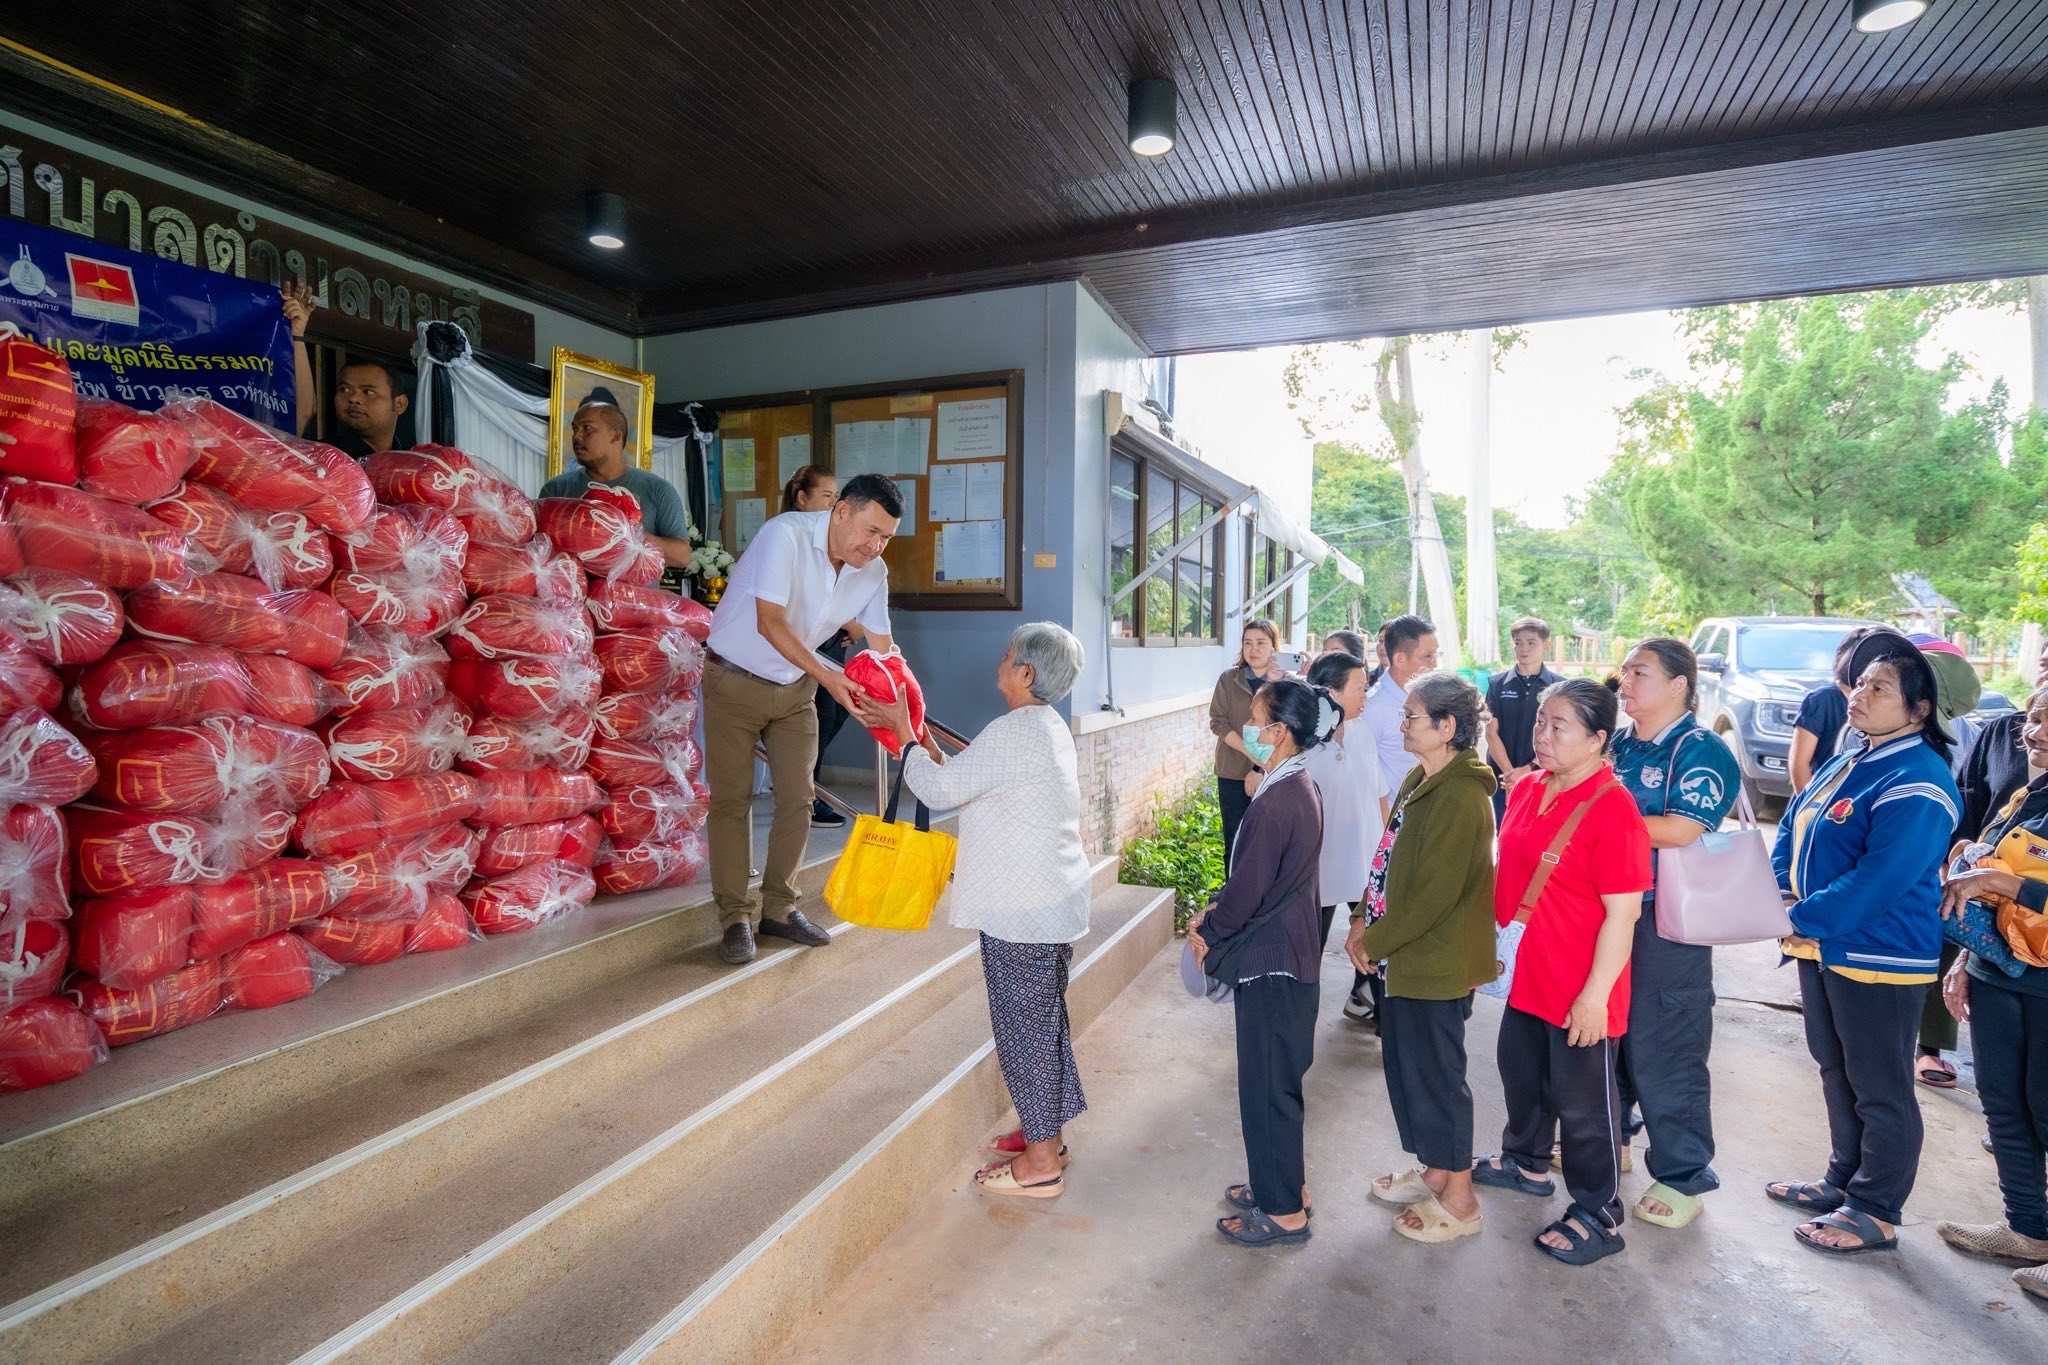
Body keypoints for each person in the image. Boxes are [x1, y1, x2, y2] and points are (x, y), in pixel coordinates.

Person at [858, 623, 1094, 1200]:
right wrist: (918, 740)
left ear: (1027, 674)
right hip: (1048, 905)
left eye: (1008, 654)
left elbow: (938, 793)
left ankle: (1041, 1164)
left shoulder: (1016, 732)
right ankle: (1049, 1136)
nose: (1001, 660)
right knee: (1043, 1024)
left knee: (1025, 1030)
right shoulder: (1042, 728)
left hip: (1024, 913)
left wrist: (901, 733)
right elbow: (963, 780)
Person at [1766, 628, 1967, 1257]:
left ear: (1919, 710)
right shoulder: (1854, 755)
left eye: (1880, 687)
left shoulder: (1921, 778)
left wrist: (1803, 917)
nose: (1860, 693)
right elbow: (1797, 824)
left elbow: (1882, 877)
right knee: (1837, 1069)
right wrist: (1775, 891)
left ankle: (1876, 1207)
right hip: (1825, 944)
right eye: (1860, 682)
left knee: (1880, 1084)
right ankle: (1841, 1181)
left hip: (1878, 952)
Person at [1473, 678, 1651, 1266]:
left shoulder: (1613, 809)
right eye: (1540, 723)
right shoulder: (1530, 788)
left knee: (1585, 1105)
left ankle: (1600, 1213)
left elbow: (1623, 915)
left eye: (1559, 727)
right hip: (1530, 972)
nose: (1542, 736)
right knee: (1521, 1072)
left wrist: (1595, 996)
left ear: (1600, 739)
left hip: (1581, 985)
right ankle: (1524, 1160)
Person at [702, 473, 904, 966]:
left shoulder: (872, 573)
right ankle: (734, 917)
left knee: (799, 798)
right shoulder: (785, 535)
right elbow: (769, 621)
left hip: (796, 689)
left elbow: (882, 651)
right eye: (870, 530)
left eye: (886, 538)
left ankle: (780, 909)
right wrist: (831, 677)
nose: (875, 546)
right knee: (733, 801)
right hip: (734, 681)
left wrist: (906, 713)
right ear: (841, 512)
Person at [1188, 678, 1340, 1247]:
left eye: (1255, 719)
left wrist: (1210, 929)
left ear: (1279, 732)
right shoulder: (1295, 785)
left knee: (1268, 1088)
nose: (1247, 729)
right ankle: (1283, 1186)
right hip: (1287, 954)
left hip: (1272, 962)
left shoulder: (1279, 800)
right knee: (1278, 1085)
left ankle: (1283, 1214)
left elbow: (1249, 888)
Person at [1349, 672, 1496, 1243]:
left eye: (1412, 717)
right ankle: (1436, 1170)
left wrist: (1372, 942)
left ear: (1448, 727)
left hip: (1433, 962)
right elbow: (1386, 858)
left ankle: (1460, 1199)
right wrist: (1363, 918)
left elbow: (1434, 895)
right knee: (1408, 1073)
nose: (1402, 724)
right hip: (1400, 958)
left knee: (1437, 1079)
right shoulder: (1421, 777)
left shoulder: (1462, 794)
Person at [1606, 638, 1741, 1229]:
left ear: (1680, 683)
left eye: (1640, 672)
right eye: (1625, 671)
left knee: (1668, 1046)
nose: (1625, 681)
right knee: (1608, 1034)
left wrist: (1590, 820)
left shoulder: (1700, 749)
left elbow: (1682, 830)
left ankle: (1685, 1174)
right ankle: (1617, 1138)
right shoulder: (1618, 743)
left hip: (1669, 922)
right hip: (1611, 912)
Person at [1936, 683, 2048, 1302]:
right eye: (2033, 718)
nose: (2037, 732)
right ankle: (2029, 1230)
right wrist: (1966, 960)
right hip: (1999, 972)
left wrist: (2009, 884)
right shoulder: (2024, 796)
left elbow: (2005, 882)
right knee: (2004, 1106)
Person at [1353, 614, 1437, 1022]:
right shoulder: (1376, 708)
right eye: (1427, 656)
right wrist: (1384, 834)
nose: (1432, 663)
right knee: (1378, 914)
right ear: (1400, 659)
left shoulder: (1422, 702)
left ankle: (1371, 995)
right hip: (1386, 832)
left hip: (1413, 828)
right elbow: (1364, 775)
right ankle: (1378, 1004)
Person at [538, 392, 694, 567]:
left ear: (616, 436)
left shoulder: (658, 489)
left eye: (587, 428)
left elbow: (682, 557)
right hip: (575, 593)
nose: (576, 436)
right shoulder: (555, 491)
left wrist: (624, 534)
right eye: (575, 429)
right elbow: (539, 549)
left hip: (635, 594)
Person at [780, 466, 853, 831]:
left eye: (837, 496)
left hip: (832, 640)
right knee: (819, 716)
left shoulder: (831, 539)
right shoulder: (787, 538)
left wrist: (849, 621)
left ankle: (806, 788)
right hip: (804, 645)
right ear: (802, 498)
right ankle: (808, 795)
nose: (834, 503)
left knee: (837, 714)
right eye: (827, 496)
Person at [1303, 652, 1387, 957]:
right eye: (1359, 688)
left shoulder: (1361, 730)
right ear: (1330, 692)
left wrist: (1386, 850)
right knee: (1310, 949)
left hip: (1364, 861)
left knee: (1374, 942)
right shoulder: (1303, 743)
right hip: (1320, 864)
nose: (1366, 695)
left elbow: (1379, 794)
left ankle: (1364, 997)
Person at [282, 282, 412, 455]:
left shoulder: (412, 466)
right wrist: (296, 336)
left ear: (399, 404)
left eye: (368, 392)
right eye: (344, 389)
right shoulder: (323, 457)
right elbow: (301, 411)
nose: (353, 399)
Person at [1207, 619, 1290, 872]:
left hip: (1274, 772)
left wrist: (1258, 770)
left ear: (1274, 647)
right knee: (1234, 839)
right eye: (1248, 643)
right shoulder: (1229, 679)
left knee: (1269, 839)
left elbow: (1285, 728)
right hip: (1231, 771)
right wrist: (1251, 754)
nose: (1253, 649)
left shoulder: (1286, 683)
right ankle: (1232, 897)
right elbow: (1218, 723)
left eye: (1261, 643)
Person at [1484, 617, 1565, 822]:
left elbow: (1559, 734)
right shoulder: (1497, 684)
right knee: (1504, 831)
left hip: (1543, 773)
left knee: (1539, 831)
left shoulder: (1559, 687)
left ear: (1546, 645)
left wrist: (1529, 769)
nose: (1524, 649)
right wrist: (1511, 775)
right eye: (1518, 642)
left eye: (1531, 643)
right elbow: (1491, 733)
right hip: (1504, 777)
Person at [1788, 629, 1874, 792]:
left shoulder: (1881, 704)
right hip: (1821, 799)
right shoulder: (1821, 700)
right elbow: (1799, 763)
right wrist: (1811, 808)